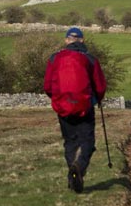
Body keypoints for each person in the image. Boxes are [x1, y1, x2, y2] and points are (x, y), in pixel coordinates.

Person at [43, 27, 107, 193]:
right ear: (82, 40)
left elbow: (47, 86)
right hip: (85, 107)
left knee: (70, 141)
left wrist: (58, 99)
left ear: (66, 41)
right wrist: (98, 99)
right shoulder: (90, 59)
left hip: (63, 107)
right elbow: (99, 86)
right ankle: (79, 166)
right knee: (88, 141)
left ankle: (73, 172)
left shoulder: (54, 58)